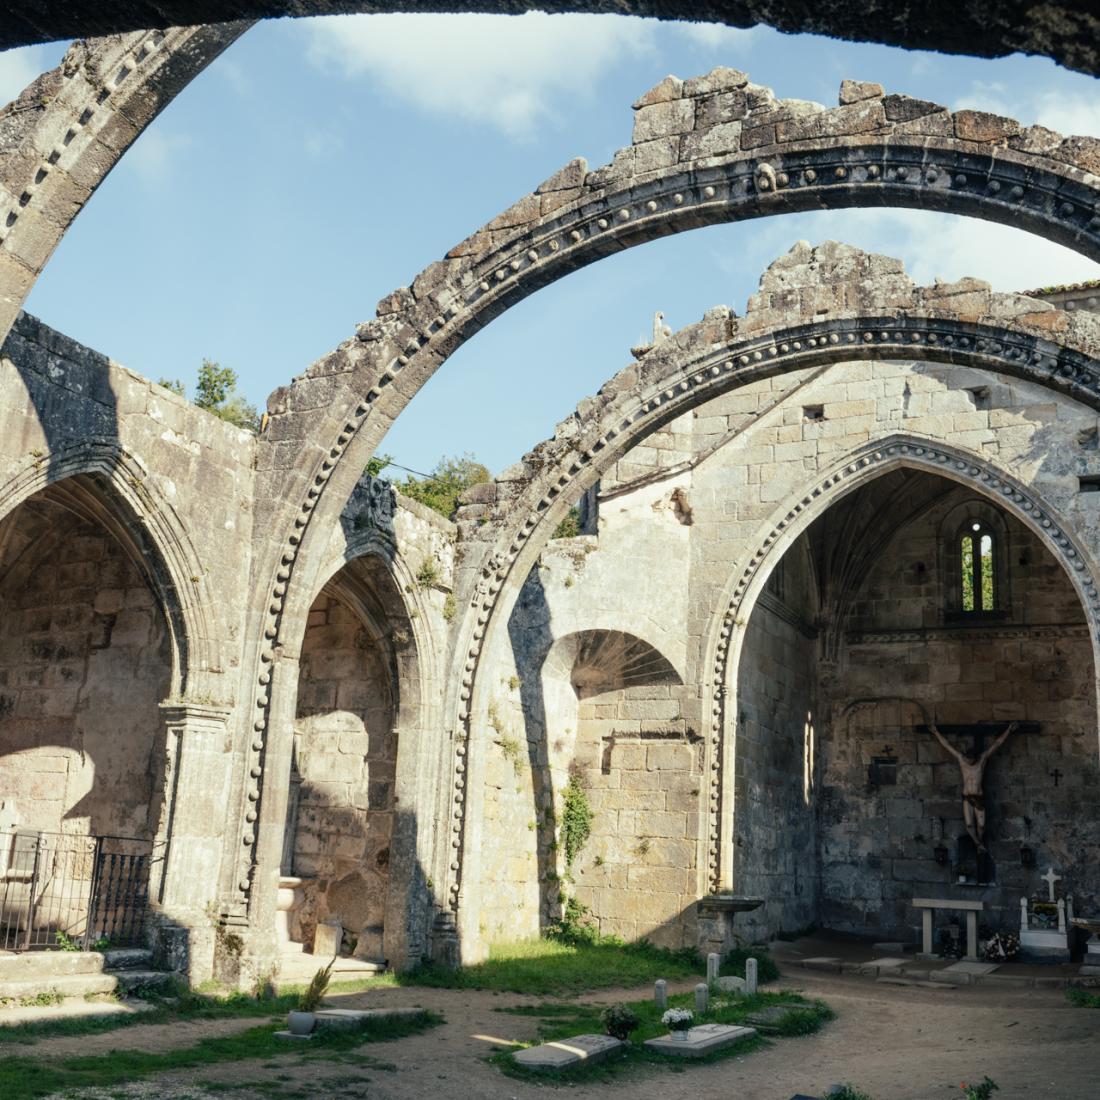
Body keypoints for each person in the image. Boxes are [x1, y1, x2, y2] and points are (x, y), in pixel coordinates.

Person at [929, 720, 1017, 852]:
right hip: (967, 797)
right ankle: (978, 844)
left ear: (975, 758)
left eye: (971, 759)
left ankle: (979, 841)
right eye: (967, 759)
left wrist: (1008, 730)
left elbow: (997, 744)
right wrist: (936, 732)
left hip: (978, 797)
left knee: (981, 826)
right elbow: (947, 745)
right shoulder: (961, 759)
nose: (969, 761)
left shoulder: (982, 760)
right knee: (969, 824)